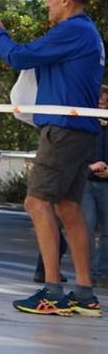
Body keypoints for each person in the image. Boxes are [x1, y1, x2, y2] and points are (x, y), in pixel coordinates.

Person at [0, 0, 104, 316]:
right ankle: (83, 292)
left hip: (62, 131)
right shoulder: (87, 32)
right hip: (79, 131)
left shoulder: (73, 30)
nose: (47, 4)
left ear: (66, 0)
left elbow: (20, 57)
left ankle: (52, 290)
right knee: (68, 206)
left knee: (36, 202)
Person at [81, 84, 108, 286]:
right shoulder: (84, 121)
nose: (101, 105)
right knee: (86, 227)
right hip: (86, 181)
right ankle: (87, 272)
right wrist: (89, 167)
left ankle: (102, 271)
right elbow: (75, 152)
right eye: (98, 101)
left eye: (105, 102)